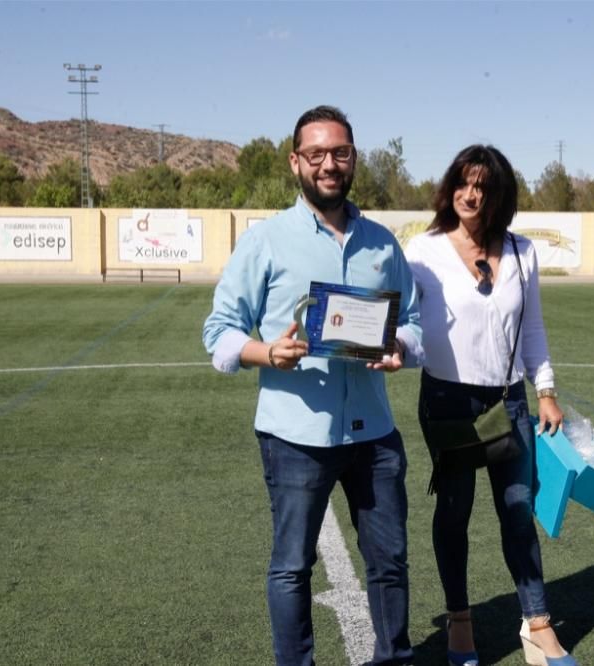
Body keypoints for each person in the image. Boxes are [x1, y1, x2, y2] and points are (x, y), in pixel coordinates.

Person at [202, 105, 422, 666]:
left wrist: (400, 348)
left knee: (390, 563)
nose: (330, 164)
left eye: (340, 153)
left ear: (353, 160)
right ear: (296, 162)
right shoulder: (266, 240)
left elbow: (416, 323)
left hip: (373, 436)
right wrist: (265, 353)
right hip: (294, 436)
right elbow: (219, 332)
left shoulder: (382, 243)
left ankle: (392, 657)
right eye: (317, 154)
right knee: (291, 567)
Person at [405, 145, 576, 666]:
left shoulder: (523, 252)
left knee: (518, 513)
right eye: (462, 181)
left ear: (500, 194)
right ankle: (460, 622)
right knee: (454, 513)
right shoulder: (422, 251)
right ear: (449, 186)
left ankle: (538, 624)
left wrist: (544, 389)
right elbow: (401, 321)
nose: (470, 193)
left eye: (481, 185)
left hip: (510, 402)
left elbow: (535, 328)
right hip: (448, 402)